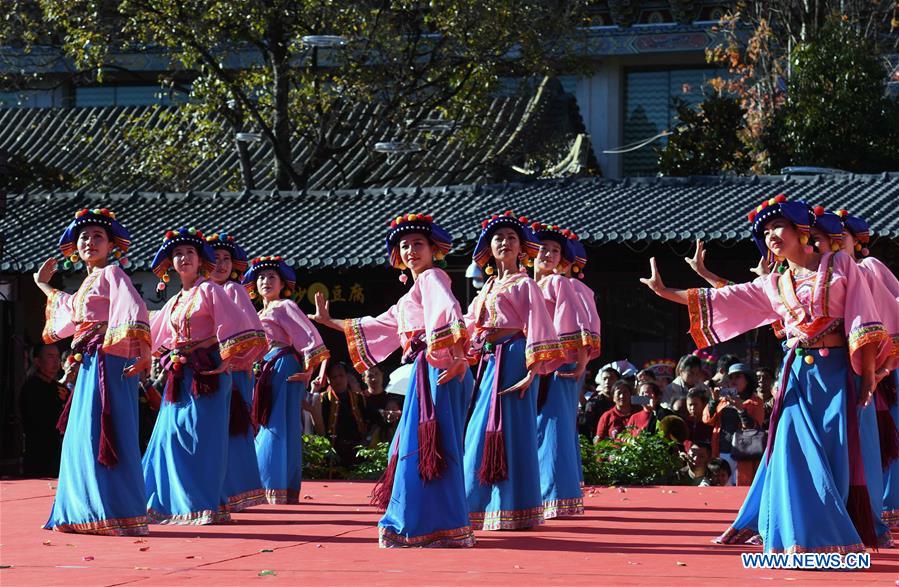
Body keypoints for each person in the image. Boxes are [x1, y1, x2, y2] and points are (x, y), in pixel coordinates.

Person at [641, 195, 892, 553]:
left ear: (800, 230)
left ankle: (836, 532)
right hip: (797, 380)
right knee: (792, 450)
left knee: (837, 453)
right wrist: (667, 292)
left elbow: (862, 318)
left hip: (838, 374)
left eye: (779, 226)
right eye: (765, 230)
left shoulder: (838, 265)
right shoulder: (774, 283)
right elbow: (726, 299)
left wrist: (868, 376)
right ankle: (799, 538)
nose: (772, 234)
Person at [310, 212, 475, 548]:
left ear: (433, 251)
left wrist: (459, 358)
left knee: (428, 447)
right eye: (404, 246)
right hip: (427, 370)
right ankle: (435, 523)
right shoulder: (409, 298)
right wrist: (330, 322)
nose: (411, 250)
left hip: (438, 368)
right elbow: (376, 326)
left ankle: (428, 524)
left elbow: (447, 313)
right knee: (424, 447)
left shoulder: (432, 279)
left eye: (418, 244)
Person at [35, 207, 151, 535]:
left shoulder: (113, 274)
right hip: (89, 362)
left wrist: (143, 355)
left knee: (106, 430)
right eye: (84, 237)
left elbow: (135, 310)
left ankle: (116, 511)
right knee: (82, 434)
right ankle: (84, 511)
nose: (89, 241)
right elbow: (69, 314)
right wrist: (43, 285)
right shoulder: (89, 283)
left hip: (108, 360)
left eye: (98, 236)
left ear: (111, 245)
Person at [143, 227, 266, 524]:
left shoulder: (211, 290)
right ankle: (169, 502)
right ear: (170, 264)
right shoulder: (174, 301)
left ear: (201, 260)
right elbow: (154, 334)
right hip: (180, 371)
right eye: (177, 254)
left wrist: (228, 358)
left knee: (202, 439)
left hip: (208, 369)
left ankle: (202, 505)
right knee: (170, 436)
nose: (183, 258)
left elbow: (238, 325)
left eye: (190, 253)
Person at [462, 211, 564, 531]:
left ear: (521, 248)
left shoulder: (526, 284)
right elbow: (469, 323)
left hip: (517, 357)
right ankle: (477, 506)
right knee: (480, 430)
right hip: (491, 360)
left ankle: (513, 508)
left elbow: (539, 326)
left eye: (511, 238)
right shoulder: (489, 285)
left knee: (512, 431)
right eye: (498, 238)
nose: (504, 242)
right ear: (489, 249)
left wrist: (532, 372)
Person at [834, 209, 899, 535]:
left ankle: (885, 507)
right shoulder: (825, 277)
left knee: (883, 441)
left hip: (885, 366)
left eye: (839, 239)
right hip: (847, 368)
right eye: (826, 240)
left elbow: (893, 313)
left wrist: (886, 365)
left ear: (858, 244)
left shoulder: (867, 267)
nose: (833, 246)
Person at [245, 255, 328, 504]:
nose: (265, 281)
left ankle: (271, 485)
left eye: (272, 277)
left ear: (283, 284)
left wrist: (311, 369)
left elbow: (310, 337)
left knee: (278, 425)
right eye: (260, 277)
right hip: (266, 369)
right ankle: (278, 486)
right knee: (270, 422)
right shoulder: (259, 311)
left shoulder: (285, 306)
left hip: (283, 365)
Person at [531, 223, 589, 519]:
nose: (549, 254)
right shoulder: (527, 284)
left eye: (555, 251)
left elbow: (576, 322)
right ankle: (544, 491)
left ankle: (554, 495)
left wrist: (580, 360)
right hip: (534, 362)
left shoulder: (559, 284)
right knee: (540, 426)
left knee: (553, 425)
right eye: (543, 248)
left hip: (558, 362)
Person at [206, 232, 267, 512]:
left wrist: (231, 359)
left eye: (226, 259)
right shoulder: (200, 290)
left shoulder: (233, 290)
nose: (221, 264)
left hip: (230, 370)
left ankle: (230, 490)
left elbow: (253, 334)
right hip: (205, 367)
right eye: (215, 258)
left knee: (229, 429)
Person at [703, 363, 764, 486]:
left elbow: (755, 428)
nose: (733, 380)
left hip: (743, 454)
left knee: (741, 487)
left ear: (747, 380)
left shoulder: (756, 401)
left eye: (737, 376)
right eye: (731, 377)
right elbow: (707, 420)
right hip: (721, 452)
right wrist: (713, 401)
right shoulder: (723, 400)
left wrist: (741, 409)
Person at [19, 344, 67, 477]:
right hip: (38, 452)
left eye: (57, 356)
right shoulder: (31, 388)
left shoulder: (59, 388)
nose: (56, 361)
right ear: (37, 361)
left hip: (59, 451)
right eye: (50, 356)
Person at [317, 362, 368, 468]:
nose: (338, 379)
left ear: (347, 377)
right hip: (333, 452)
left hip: (357, 451)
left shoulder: (359, 398)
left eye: (341, 375)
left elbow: (372, 418)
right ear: (328, 380)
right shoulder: (322, 399)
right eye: (334, 377)